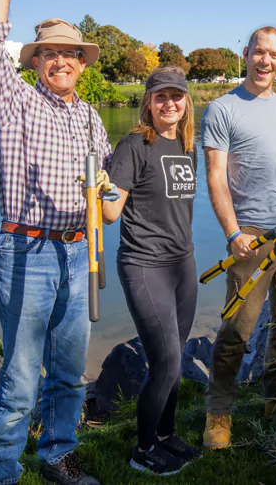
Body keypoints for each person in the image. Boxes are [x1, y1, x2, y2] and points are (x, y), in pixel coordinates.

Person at [0, 0, 108, 485]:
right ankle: (1, 474)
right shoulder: (16, 103)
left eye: (70, 53)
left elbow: (105, 191)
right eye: (49, 53)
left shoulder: (91, 117)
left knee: (70, 375)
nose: (61, 61)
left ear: (81, 61)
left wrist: (110, 195)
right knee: (22, 376)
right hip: (27, 250)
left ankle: (56, 458)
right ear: (34, 61)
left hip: (79, 252)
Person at [199, 26, 276, 450]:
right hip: (251, 238)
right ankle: (219, 412)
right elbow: (215, 177)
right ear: (246, 54)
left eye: (275, 55)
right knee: (236, 331)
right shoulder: (221, 108)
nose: (266, 61)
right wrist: (232, 233)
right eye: (259, 52)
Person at [101, 66, 201, 475]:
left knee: (174, 358)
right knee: (166, 360)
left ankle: (165, 434)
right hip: (144, 265)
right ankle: (143, 449)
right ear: (148, 102)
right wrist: (99, 187)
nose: (169, 103)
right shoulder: (134, 146)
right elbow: (110, 214)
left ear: (186, 102)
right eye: (160, 96)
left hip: (183, 262)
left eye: (176, 96)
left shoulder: (187, 145)